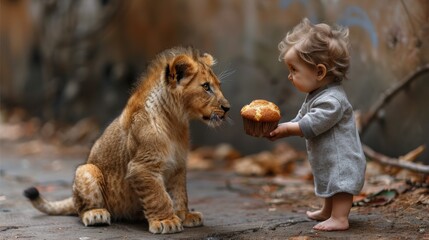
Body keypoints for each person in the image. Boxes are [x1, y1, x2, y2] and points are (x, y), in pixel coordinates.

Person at [267, 18, 366, 231]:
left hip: (342, 158)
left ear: (319, 72)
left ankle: (340, 218)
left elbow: (314, 122)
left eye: (294, 69)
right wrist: (283, 128)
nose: (289, 76)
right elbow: (301, 118)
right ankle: (327, 210)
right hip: (327, 157)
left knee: (339, 184)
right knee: (329, 182)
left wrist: (288, 129)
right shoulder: (316, 94)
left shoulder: (333, 99)